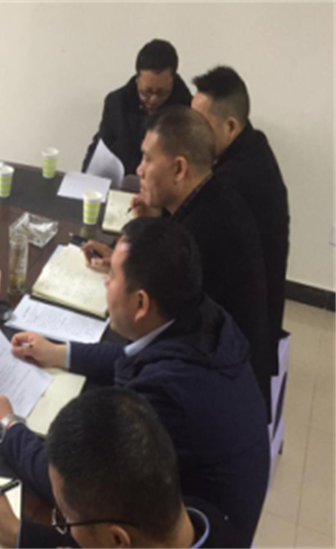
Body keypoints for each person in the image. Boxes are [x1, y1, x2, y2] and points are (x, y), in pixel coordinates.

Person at [0, 218, 269, 548]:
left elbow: (80, 486)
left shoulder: (168, 398)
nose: (105, 283)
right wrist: (59, 353)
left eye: (111, 276)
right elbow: (138, 357)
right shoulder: (202, 318)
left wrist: (6, 427)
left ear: (141, 303)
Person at [83, 105, 273, 414]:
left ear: (179, 169)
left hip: (207, 391)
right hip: (226, 373)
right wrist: (126, 255)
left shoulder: (201, 234)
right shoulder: (213, 198)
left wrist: (132, 260)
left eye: (147, 158)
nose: (139, 169)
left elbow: (147, 324)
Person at [0, 388, 241, 549]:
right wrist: (19, 533)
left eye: (64, 519)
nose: (64, 526)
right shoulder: (199, 517)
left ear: (118, 541)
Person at [192, 66, 290, 352]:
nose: (192, 134)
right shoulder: (253, 144)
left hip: (241, 335)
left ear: (231, 127)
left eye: (200, 126)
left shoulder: (236, 179)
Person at [82, 39, 192, 175]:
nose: (153, 99)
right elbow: (101, 147)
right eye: (146, 92)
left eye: (162, 92)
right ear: (137, 80)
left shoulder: (188, 111)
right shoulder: (117, 103)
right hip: (123, 182)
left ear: (173, 81)